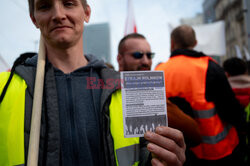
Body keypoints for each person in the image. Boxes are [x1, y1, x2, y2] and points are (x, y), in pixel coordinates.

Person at [0, 0, 186, 166]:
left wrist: (165, 158)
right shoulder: (4, 87)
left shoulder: (124, 87)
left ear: (87, 13)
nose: (58, 14)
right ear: (34, 19)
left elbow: (147, 153)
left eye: (69, 3)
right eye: (45, 6)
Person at [155, 25, 246, 166]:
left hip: (176, 154)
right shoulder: (210, 67)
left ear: (172, 43)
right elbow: (232, 111)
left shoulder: (158, 71)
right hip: (217, 154)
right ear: (195, 43)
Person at [117, 33, 201, 145]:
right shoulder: (105, 93)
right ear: (119, 59)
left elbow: (194, 134)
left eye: (149, 55)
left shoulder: (155, 96)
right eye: (138, 55)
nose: (146, 62)